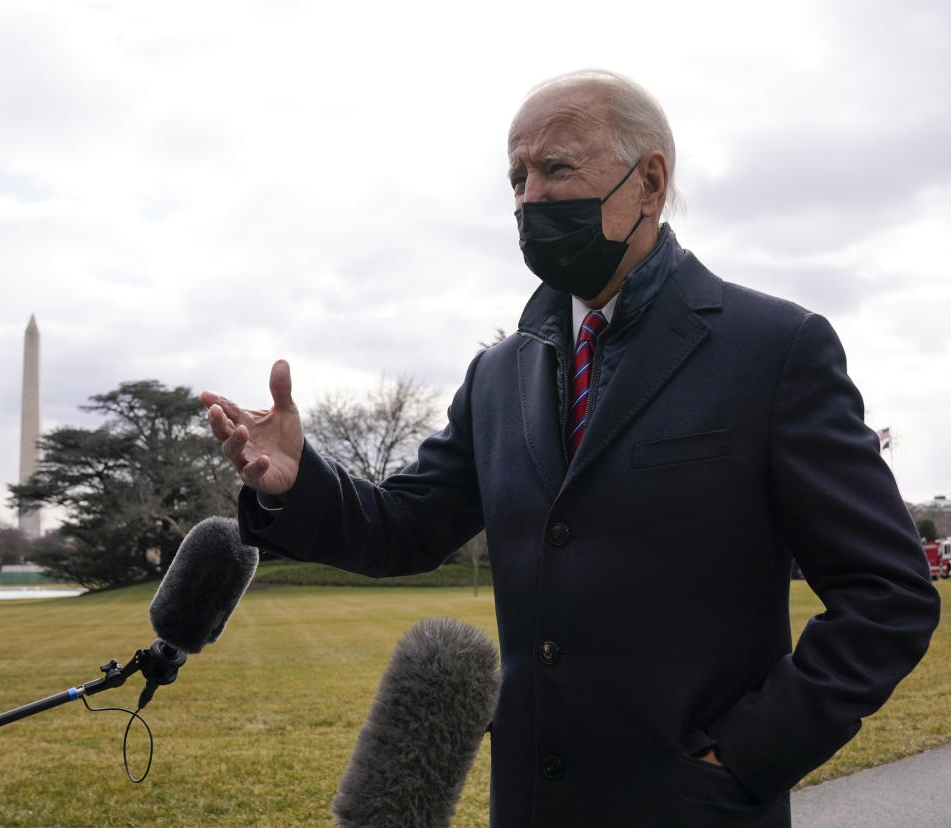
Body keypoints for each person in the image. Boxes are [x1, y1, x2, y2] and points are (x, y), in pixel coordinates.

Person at [200, 69, 940, 827]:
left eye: (555, 168)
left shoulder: (775, 350)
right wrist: (295, 482)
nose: (529, 197)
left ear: (648, 181)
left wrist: (744, 758)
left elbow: (888, 596)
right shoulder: (499, 373)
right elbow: (406, 525)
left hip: (694, 808)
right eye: (516, 177)